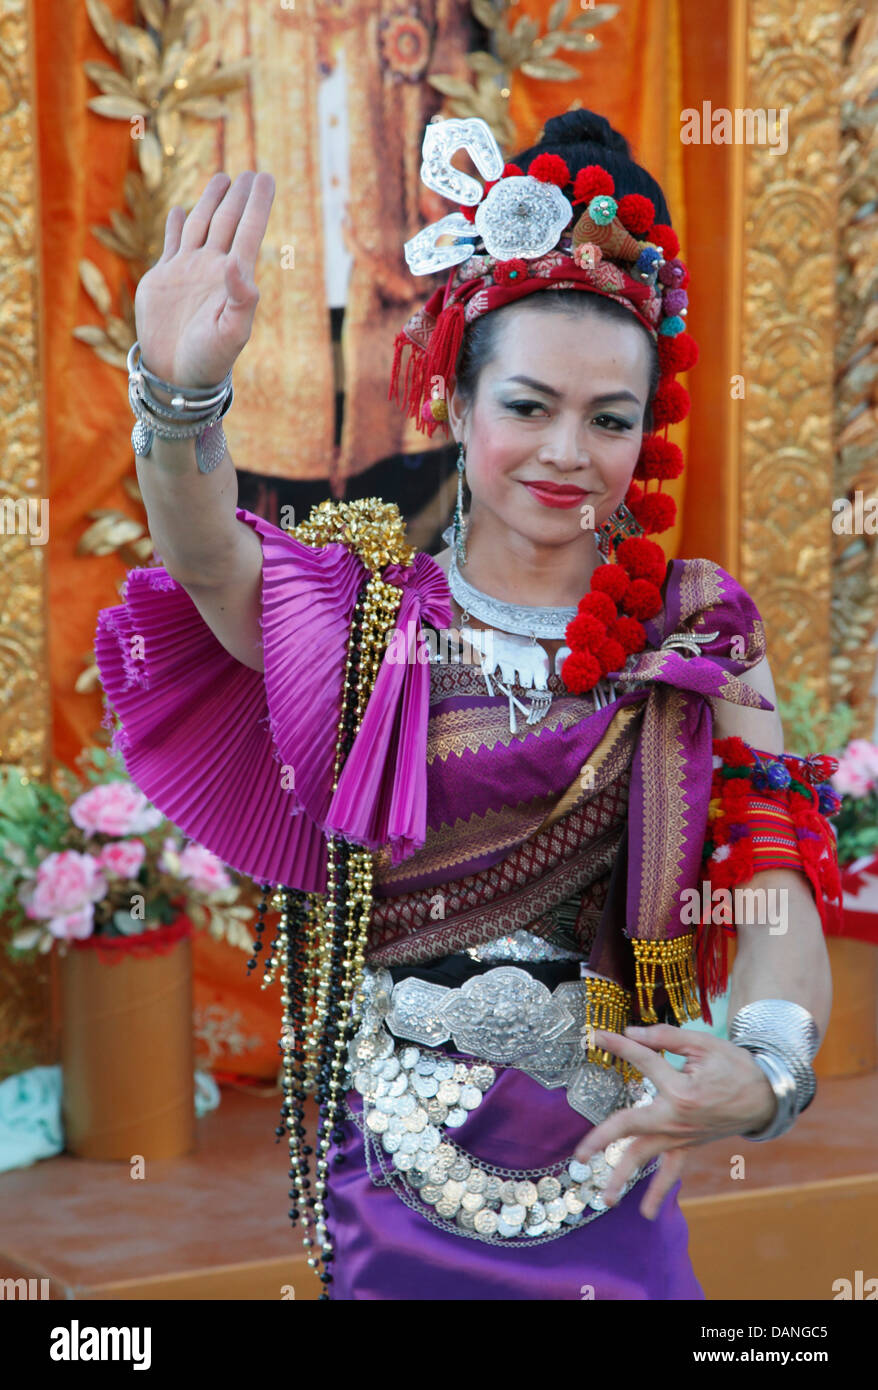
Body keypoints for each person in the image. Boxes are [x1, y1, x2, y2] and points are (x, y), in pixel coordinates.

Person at [95, 109, 843, 1301]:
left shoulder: (695, 626)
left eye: (609, 420)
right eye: (527, 406)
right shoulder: (360, 616)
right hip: (397, 1164)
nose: (565, 452)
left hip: (611, 1147)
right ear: (452, 403)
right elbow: (203, 555)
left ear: (644, 437)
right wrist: (181, 397)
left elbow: (765, 877)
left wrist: (765, 1068)